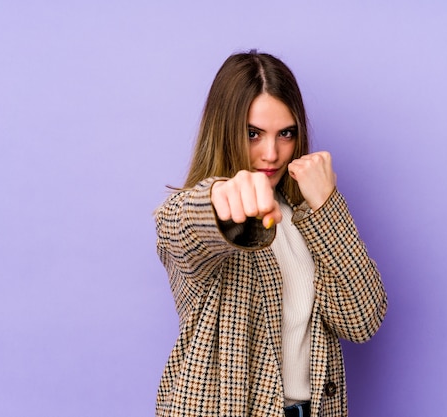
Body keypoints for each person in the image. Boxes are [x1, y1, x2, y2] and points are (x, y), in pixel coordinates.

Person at [154, 50, 387, 417]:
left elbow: (362, 319)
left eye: (286, 134)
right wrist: (218, 198)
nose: (271, 153)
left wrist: (327, 205)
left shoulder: (307, 221)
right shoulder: (203, 213)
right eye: (253, 134)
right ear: (225, 130)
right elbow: (180, 229)